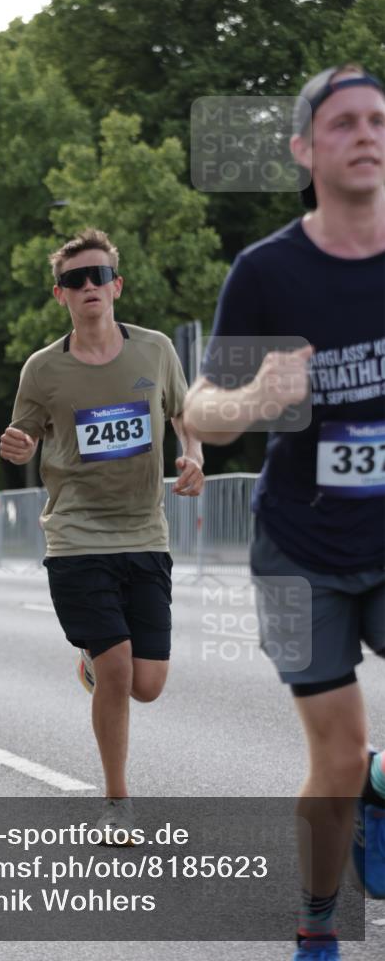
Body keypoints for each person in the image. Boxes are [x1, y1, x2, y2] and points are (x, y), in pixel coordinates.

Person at [183, 64, 385, 960]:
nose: (365, 135)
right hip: (300, 548)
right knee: (336, 760)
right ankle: (315, 924)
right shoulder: (267, 271)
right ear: (304, 151)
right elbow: (199, 413)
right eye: (342, 123)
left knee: (363, 766)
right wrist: (256, 399)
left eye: (377, 120)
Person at [0, 228, 204, 837]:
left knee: (147, 685)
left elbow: (182, 413)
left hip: (145, 533)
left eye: (97, 276)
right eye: (74, 280)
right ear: (59, 294)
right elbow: (23, 436)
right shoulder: (43, 369)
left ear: (116, 285)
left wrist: (193, 454)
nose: (87, 287)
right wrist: (16, 446)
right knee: (118, 670)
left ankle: (93, 662)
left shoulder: (156, 350)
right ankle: (118, 802)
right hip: (76, 536)